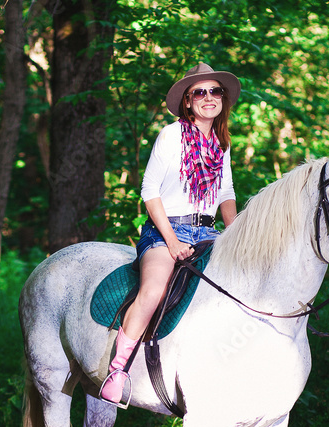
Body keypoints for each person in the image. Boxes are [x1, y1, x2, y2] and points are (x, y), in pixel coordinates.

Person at [101, 62, 241, 404]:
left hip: (207, 231)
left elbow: (225, 194)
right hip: (166, 230)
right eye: (200, 92)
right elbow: (149, 190)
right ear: (188, 101)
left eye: (215, 91)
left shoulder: (221, 144)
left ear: (223, 98)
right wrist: (172, 240)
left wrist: (237, 234)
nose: (209, 97)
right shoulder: (172, 135)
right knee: (153, 290)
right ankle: (118, 371)